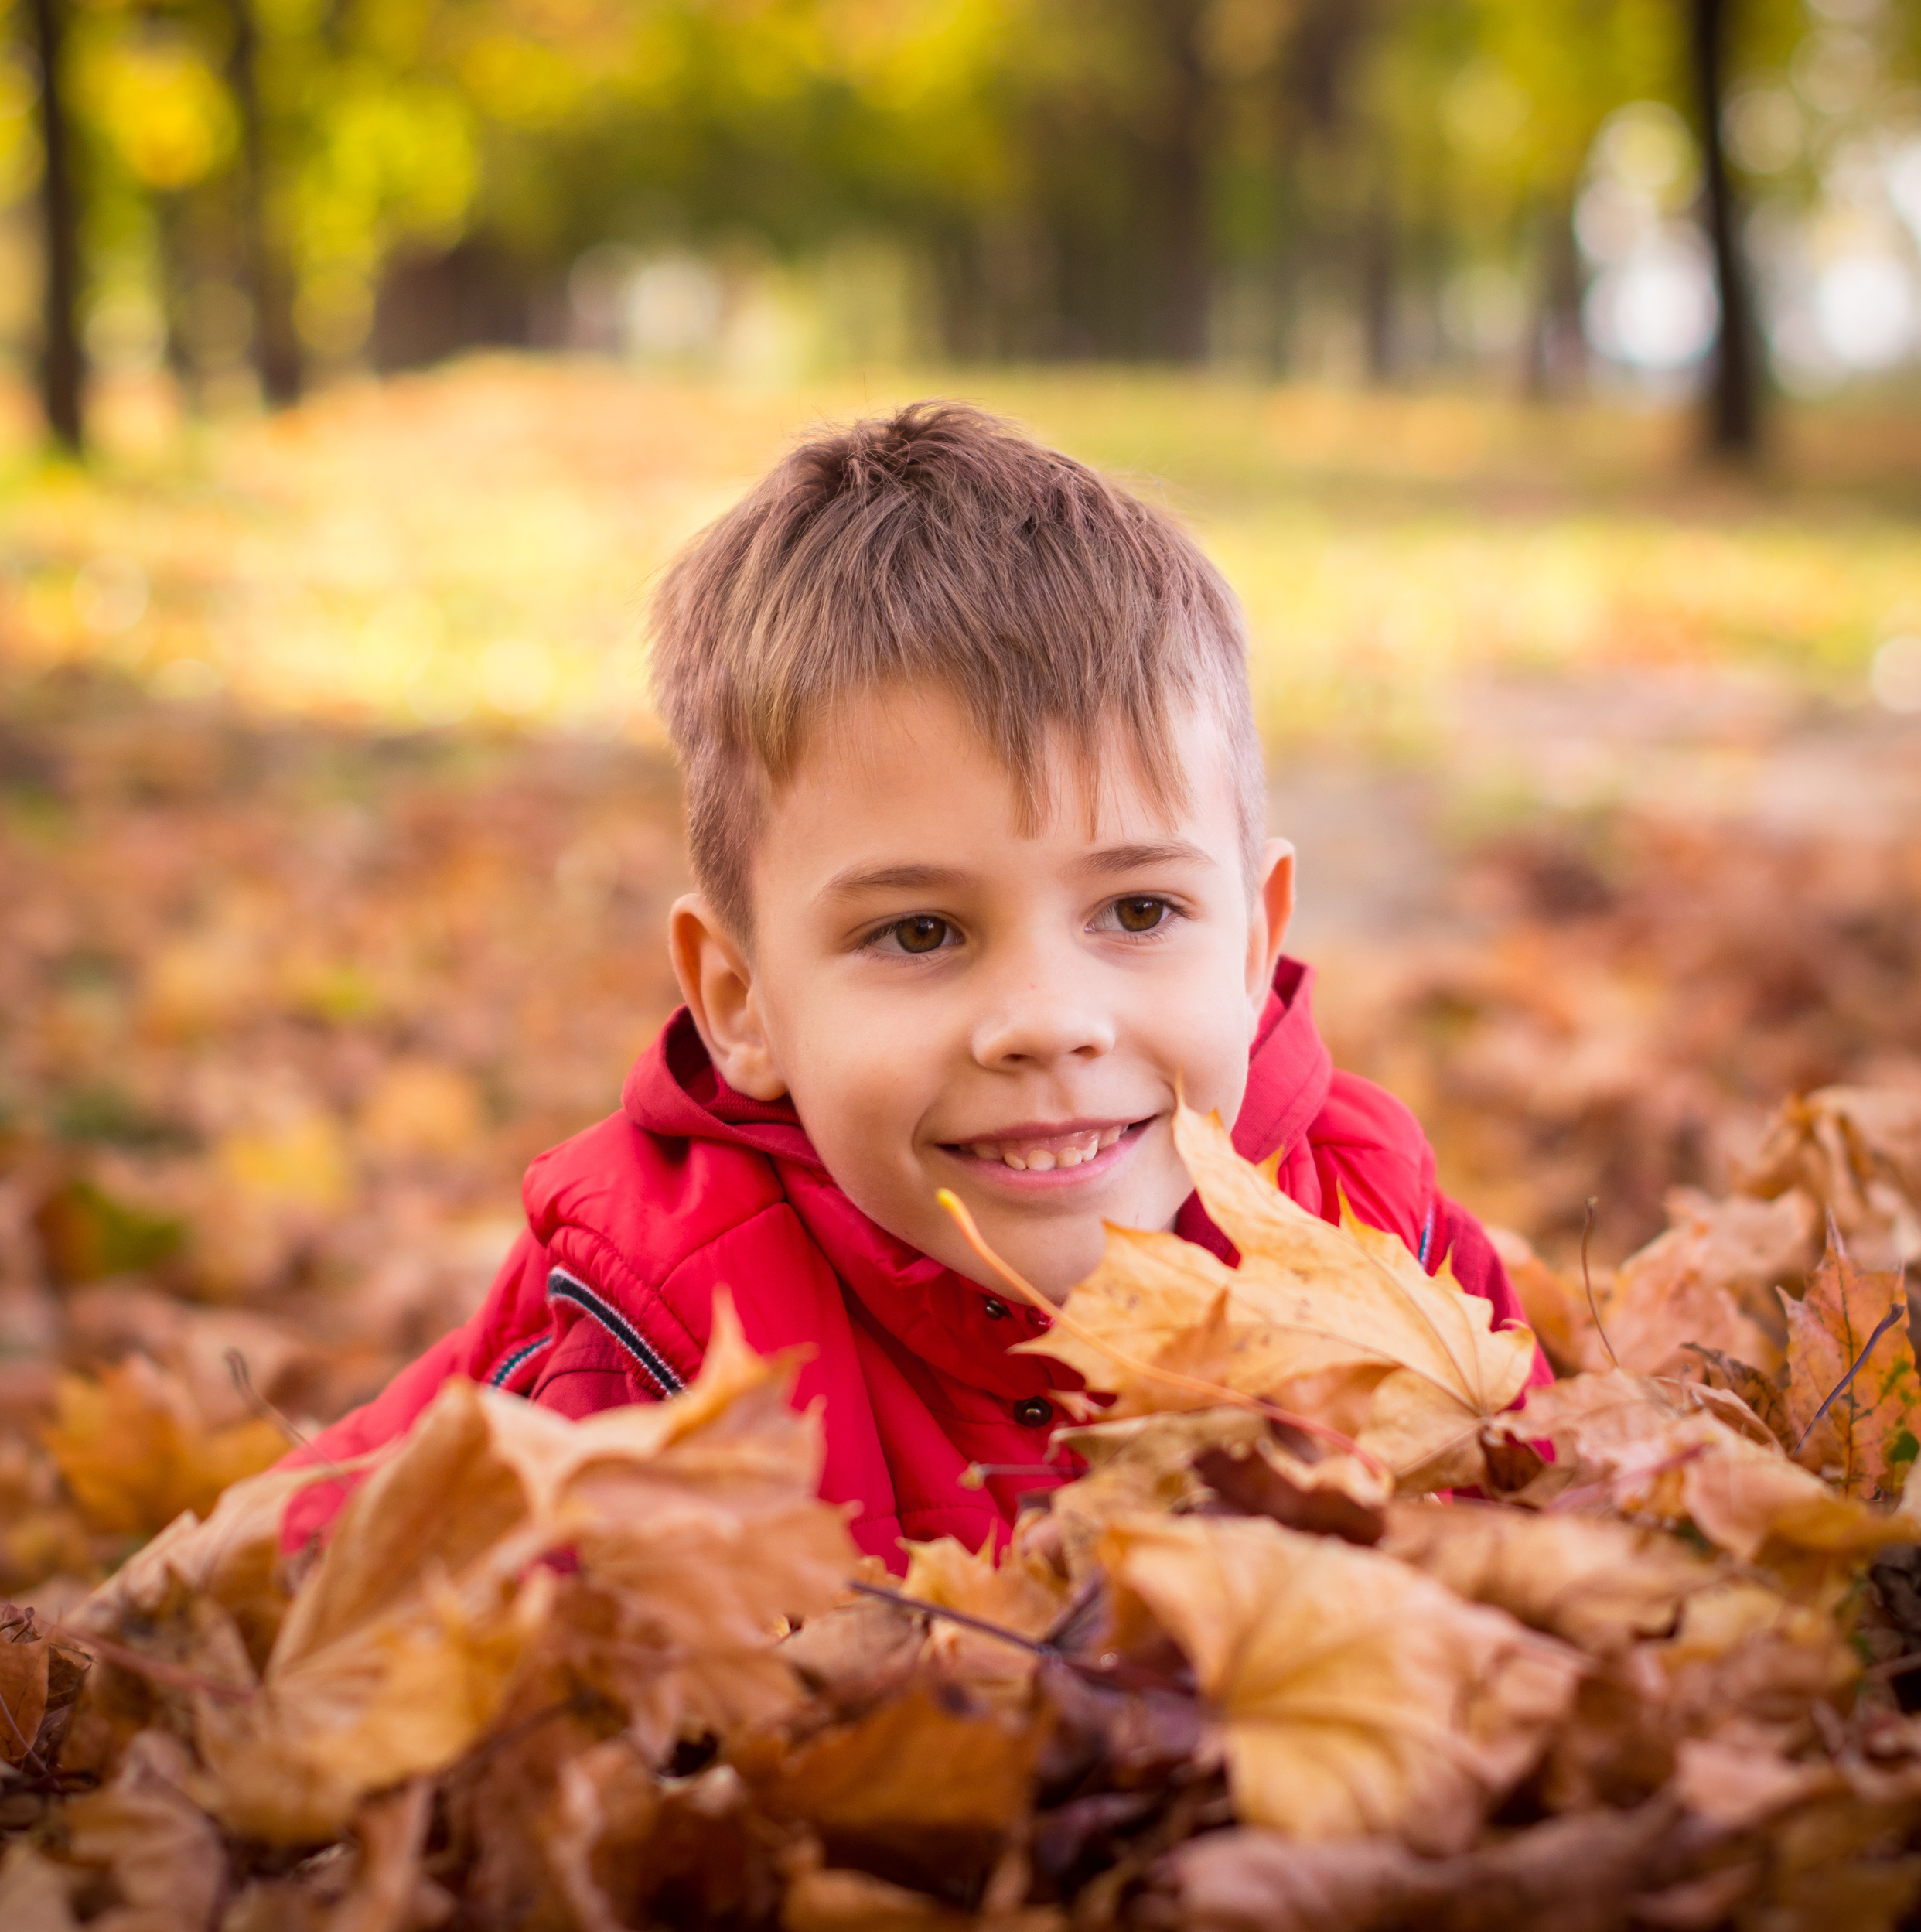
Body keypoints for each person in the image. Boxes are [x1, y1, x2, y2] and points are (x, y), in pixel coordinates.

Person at [280, 402, 1535, 1568]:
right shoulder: (657, 1330)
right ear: (740, 1003)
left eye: (1140, 910)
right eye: (922, 932)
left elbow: (1558, 1578)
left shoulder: (1381, 1234)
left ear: (1257, 943)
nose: (1049, 1021)